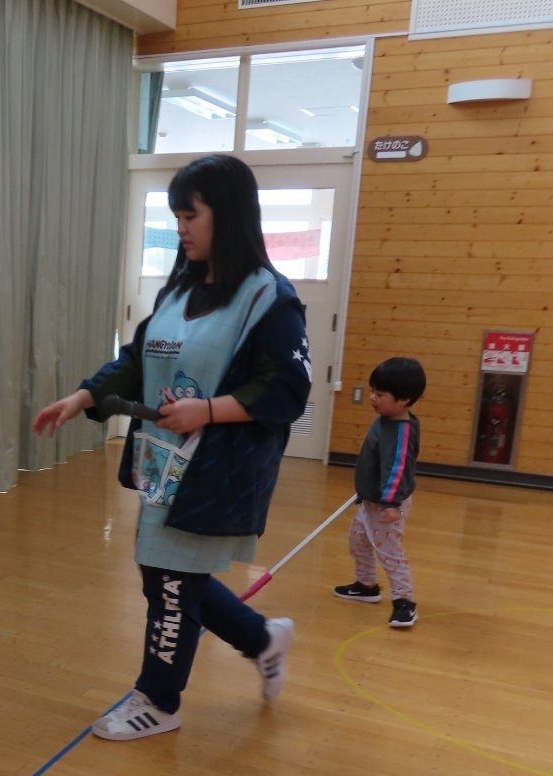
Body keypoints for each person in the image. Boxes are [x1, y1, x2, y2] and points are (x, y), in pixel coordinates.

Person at [33, 153, 311, 741]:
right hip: (162, 461)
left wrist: (207, 410)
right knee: (165, 571)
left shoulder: (269, 297)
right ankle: (262, 638)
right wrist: (83, 397)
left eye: (191, 216)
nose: (181, 228)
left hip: (215, 466)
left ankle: (159, 700)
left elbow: (287, 387)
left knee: (171, 581)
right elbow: (138, 358)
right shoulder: (181, 287)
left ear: (228, 216)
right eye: (177, 216)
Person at [333, 357, 425, 628]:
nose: (372, 397)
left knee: (389, 552)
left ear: (404, 400)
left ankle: (404, 602)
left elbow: (397, 470)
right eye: (372, 391)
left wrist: (391, 504)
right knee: (358, 541)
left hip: (387, 505)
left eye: (380, 394)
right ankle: (366, 586)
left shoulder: (401, 433)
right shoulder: (386, 420)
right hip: (371, 499)